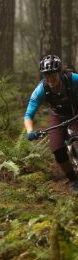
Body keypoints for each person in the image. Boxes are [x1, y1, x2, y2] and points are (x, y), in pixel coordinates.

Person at [24, 54, 78, 193]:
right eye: (46, 76)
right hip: (58, 116)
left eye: (53, 75)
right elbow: (28, 114)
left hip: (76, 112)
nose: (50, 79)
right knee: (57, 149)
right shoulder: (41, 89)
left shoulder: (73, 79)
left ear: (59, 72)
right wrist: (30, 131)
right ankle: (73, 179)